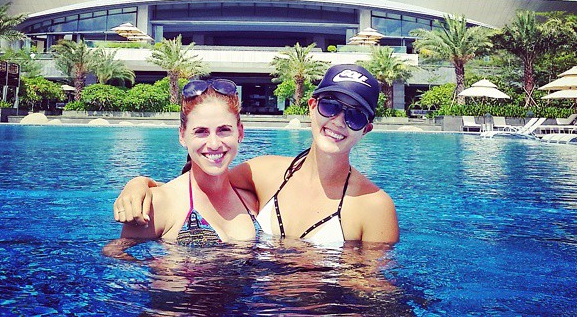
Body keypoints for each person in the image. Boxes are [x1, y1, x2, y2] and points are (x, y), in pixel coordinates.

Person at [114, 64, 399, 245]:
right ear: (312, 106)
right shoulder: (265, 174)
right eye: (330, 106)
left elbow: (374, 296)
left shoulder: (374, 207)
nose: (338, 121)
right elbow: (203, 184)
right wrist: (140, 184)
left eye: (355, 116)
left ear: (367, 129)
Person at [105, 78, 259, 254]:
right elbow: (114, 254)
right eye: (201, 131)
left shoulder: (251, 200)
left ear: (240, 132)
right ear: (182, 135)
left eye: (224, 130)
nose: (214, 144)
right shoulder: (158, 204)